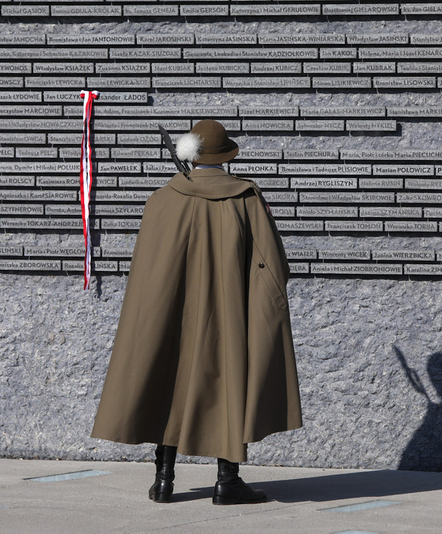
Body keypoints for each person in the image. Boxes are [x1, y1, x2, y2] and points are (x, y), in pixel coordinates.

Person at [91, 119, 302, 505]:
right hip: (229, 314)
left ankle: (164, 479)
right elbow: (273, 263)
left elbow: (146, 270)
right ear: (225, 157)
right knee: (229, 383)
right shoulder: (246, 198)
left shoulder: (162, 200)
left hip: (171, 316)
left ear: (190, 154)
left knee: (168, 381)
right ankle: (227, 480)